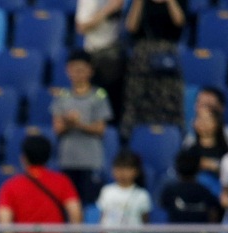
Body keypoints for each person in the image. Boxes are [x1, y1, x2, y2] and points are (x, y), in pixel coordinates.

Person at [50, 51, 112, 206]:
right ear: (67, 70)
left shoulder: (98, 96)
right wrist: (68, 121)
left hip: (90, 161)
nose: (78, 74)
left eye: (82, 70)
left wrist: (78, 124)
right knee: (69, 203)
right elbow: (57, 128)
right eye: (74, 70)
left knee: (89, 203)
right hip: (67, 160)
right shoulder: (62, 96)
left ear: (90, 71)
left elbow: (100, 129)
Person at [122, 0, 186, 134]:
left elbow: (179, 21)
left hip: (168, 56)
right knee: (138, 100)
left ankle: (171, 136)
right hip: (143, 58)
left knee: (168, 101)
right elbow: (131, 27)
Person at [158, 150, 220, 233]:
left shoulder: (170, 191)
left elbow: (162, 210)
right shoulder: (205, 191)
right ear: (198, 168)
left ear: (177, 167)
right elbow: (213, 215)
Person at [75, 0, 126, 114]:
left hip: (117, 55)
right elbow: (81, 27)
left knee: (116, 104)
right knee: (99, 101)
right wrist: (108, 10)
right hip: (96, 55)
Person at [181, 99, 228, 192]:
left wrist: (214, 166)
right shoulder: (189, 151)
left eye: (207, 119)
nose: (203, 122)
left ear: (217, 123)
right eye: (199, 118)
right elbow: (182, 170)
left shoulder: (225, 152)